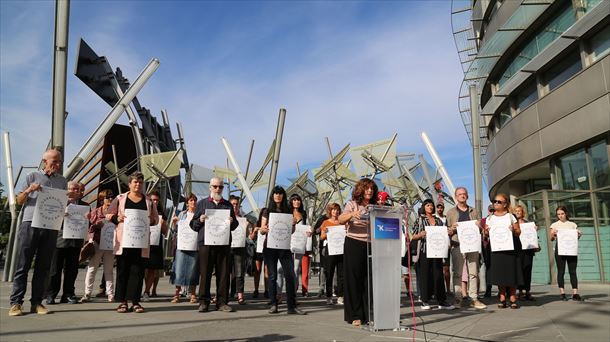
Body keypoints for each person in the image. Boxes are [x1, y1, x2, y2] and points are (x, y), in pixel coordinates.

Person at [9, 149, 67, 316]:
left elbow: (60, 203)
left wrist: (65, 202)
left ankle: (37, 303)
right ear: (44, 161)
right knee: (23, 265)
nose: (57, 164)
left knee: (43, 267)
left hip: (50, 226)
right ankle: (16, 303)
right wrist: (29, 190)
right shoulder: (31, 176)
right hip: (30, 224)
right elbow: (18, 201)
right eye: (54, 161)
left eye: (59, 162)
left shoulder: (62, 181)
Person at [106, 171, 159, 313]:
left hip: (140, 242)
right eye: (135, 182)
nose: (138, 184)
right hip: (124, 241)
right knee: (123, 270)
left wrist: (151, 220)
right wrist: (117, 218)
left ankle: (135, 301)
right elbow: (109, 215)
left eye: (140, 182)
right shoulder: (120, 198)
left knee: (138, 271)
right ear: (129, 184)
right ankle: (122, 301)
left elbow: (156, 219)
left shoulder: (148, 201)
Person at [190, 177, 238, 313]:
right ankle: (204, 302)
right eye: (215, 186)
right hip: (206, 244)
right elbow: (193, 225)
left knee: (223, 274)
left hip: (223, 244)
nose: (218, 189)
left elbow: (235, 226)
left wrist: (232, 221)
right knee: (205, 273)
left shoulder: (228, 205)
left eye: (220, 187)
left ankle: (222, 302)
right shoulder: (202, 204)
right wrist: (199, 219)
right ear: (210, 187)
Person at [260, 186, 306, 315]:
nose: (278, 195)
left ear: (283, 196)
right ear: (272, 196)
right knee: (273, 275)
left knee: (290, 275)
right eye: (275, 193)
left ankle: (291, 306)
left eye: (280, 193)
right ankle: (274, 304)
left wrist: (293, 225)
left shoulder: (288, 211)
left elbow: (291, 232)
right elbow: (262, 230)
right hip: (269, 246)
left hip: (284, 246)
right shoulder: (267, 211)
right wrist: (264, 229)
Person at [338, 178, 376, 326]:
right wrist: (352, 215)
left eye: (372, 188)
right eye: (367, 188)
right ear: (361, 189)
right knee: (354, 280)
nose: (370, 191)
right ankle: (355, 315)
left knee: (369, 280)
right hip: (354, 243)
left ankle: (368, 314)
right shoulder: (352, 204)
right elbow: (341, 219)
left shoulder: (375, 206)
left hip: (372, 244)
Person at [46, 181, 87, 305]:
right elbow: (49, 217)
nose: (75, 191)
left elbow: (87, 222)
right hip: (59, 239)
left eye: (77, 189)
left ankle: (68, 294)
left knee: (72, 269)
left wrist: (88, 217)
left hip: (76, 240)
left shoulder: (85, 205)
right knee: (55, 269)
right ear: (67, 189)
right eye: (72, 188)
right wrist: (59, 214)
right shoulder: (58, 203)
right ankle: (51, 294)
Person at [446, 187, 486, 309]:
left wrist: (480, 226)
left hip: (472, 245)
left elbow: (481, 229)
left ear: (467, 196)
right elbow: (447, 231)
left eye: (464, 194)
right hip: (457, 245)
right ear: (456, 196)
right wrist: (451, 229)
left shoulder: (474, 211)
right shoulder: (450, 213)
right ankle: (458, 299)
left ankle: (474, 298)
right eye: (460, 194)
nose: (462, 196)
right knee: (457, 273)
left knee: (474, 272)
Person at [411, 199, 454, 310]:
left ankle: (441, 300)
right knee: (425, 275)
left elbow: (443, 233)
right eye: (428, 205)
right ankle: (425, 300)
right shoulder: (419, 220)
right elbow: (412, 236)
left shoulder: (438, 220)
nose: (430, 207)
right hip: (424, 251)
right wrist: (420, 234)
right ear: (424, 207)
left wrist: (448, 231)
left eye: (431, 205)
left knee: (438, 275)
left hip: (437, 251)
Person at [484, 193, 522, 309]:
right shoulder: (489, 218)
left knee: (511, 272)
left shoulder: (511, 216)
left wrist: (513, 230)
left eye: (499, 202)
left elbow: (518, 231)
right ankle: (502, 297)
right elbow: (485, 235)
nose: (495, 203)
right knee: (500, 273)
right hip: (496, 248)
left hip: (510, 248)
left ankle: (512, 297)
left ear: (505, 204)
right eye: (494, 201)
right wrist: (486, 231)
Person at [80, 189, 115, 303]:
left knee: (109, 270)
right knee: (92, 268)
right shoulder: (96, 212)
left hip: (110, 244)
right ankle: (87, 293)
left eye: (111, 197)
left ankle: (110, 294)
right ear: (102, 200)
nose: (110, 199)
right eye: (108, 197)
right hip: (97, 243)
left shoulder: (115, 213)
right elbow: (89, 228)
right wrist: (96, 225)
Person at [169, 193, 199, 303]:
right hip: (182, 246)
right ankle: (177, 294)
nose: (193, 202)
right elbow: (175, 231)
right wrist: (174, 223)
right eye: (191, 200)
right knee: (179, 269)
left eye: (195, 200)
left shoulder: (199, 215)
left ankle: (193, 294)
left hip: (194, 246)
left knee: (194, 270)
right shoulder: (182, 214)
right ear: (187, 203)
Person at [550, 206, 582, 301]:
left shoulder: (572, 225)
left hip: (571, 250)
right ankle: (562, 292)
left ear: (566, 213)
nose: (560, 216)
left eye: (562, 214)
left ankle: (575, 293)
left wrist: (579, 235)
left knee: (573, 271)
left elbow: (575, 239)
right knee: (561, 271)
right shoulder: (554, 225)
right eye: (558, 214)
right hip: (560, 251)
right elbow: (551, 239)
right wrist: (553, 233)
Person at [142, 190, 168, 300]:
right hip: (143, 244)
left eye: (157, 200)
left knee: (153, 269)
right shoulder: (143, 211)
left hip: (156, 244)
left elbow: (165, 232)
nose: (155, 202)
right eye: (152, 200)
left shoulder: (162, 215)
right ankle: (143, 289)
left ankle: (147, 291)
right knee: (143, 269)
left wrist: (162, 225)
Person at [319, 203, 344, 305]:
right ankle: (329, 296)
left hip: (341, 249)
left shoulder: (343, 222)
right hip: (330, 249)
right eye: (333, 210)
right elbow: (321, 237)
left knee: (341, 274)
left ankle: (340, 296)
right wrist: (325, 232)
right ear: (330, 211)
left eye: (337, 210)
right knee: (329, 272)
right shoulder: (325, 222)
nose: (335, 212)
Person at [514, 204, 538, 301]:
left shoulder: (529, 223)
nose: (518, 212)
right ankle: (520, 291)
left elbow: (533, 236)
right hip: (518, 250)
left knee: (528, 270)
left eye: (519, 211)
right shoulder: (513, 224)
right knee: (519, 270)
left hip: (528, 250)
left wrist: (535, 230)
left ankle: (527, 291)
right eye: (516, 211)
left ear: (523, 212)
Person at [290, 193, 310, 297]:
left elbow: (306, 227)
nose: (296, 202)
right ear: (291, 202)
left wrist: (309, 231)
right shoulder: (288, 213)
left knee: (296, 268)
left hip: (299, 243)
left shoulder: (304, 213)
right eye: (294, 200)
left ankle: (293, 291)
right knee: (285, 268)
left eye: (298, 200)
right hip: (288, 243)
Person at [228, 195, 247, 305]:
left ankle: (240, 294)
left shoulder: (243, 218)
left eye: (236, 204)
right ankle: (223, 293)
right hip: (227, 247)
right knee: (225, 271)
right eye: (232, 204)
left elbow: (249, 236)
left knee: (239, 271)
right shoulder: (225, 217)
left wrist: (248, 228)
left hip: (239, 247)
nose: (235, 206)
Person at [250, 208, 270, 299]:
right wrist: (255, 230)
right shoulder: (257, 224)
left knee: (267, 271)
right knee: (257, 271)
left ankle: (267, 290)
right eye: (263, 214)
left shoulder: (270, 224)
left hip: (267, 249)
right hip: (258, 250)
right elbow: (251, 237)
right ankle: (256, 290)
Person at [436, 202, 450, 294]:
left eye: (441, 207)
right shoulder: (433, 218)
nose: (440, 209)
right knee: (437, 269)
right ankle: (438, 289)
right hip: (436, 245)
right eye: (438, 207)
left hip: (446, 245)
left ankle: (448, 289)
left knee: (446, 269)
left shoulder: (446, 219)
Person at [481, 205, 494, 298]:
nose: (492, 212)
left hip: (499, 247)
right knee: (488, 268)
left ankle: (505, 291)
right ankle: (488, 290)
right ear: (488, 211)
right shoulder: (483, 220)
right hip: (487, 247)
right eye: (490, 210)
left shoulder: (500, 219)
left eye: (493, 210)